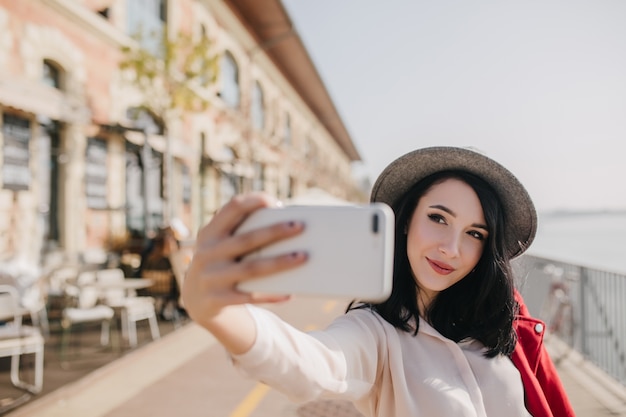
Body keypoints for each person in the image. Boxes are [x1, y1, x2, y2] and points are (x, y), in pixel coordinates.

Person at [182, 146, 575, 417]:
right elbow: (313, 363)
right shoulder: (376, 335)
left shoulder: (500, 322)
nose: (452, 248)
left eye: (475, 233)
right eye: (438, 218)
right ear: (404, 222)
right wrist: (220, 314)